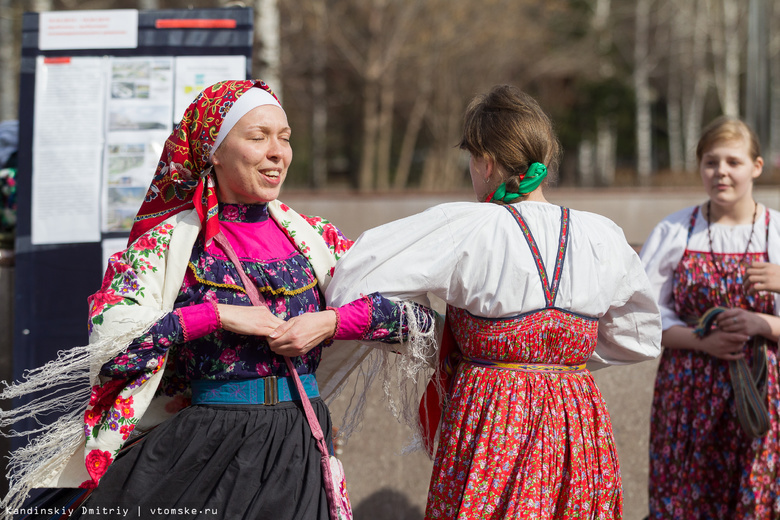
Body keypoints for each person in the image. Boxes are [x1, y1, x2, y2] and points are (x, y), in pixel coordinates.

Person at [0, 79, 433, 519]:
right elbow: (111, 343)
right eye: (258, 137)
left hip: (298, 443)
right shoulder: (167, 245)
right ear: (214, 150)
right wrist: (214, 316)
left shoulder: (315, 240)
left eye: (284, 138)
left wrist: (331, 323)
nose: (277, 152)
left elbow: (418, 320)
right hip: (203, 449)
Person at [324, 84, 662, 519]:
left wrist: (432, 334)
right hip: (578, 417)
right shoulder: (602, 235)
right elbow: (640, 336)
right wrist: (553, 350)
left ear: (485, 161)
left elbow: (358, 274)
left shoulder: (467, 226)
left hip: (495, 416)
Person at [640, 116, 780, 519]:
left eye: (733, 162)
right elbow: (642, 315)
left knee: (754, 495)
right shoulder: (675, 230)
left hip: (759, 389)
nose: (721, 172)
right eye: (711, 162)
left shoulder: (774, 234)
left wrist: (761, 323)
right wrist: (702, 340)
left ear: (756, 166)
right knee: (684, 494)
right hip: (688, 387)